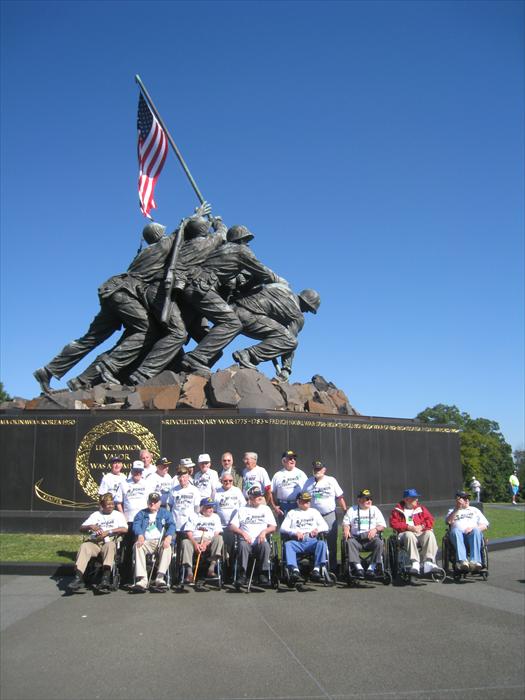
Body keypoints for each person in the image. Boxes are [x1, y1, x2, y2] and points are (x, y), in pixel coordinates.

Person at [180, 223, 286, 375]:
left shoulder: (222, 249)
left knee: (195, 335)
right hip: (201, 288)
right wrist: (279, 280)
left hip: (193, 286)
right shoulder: (241, 251)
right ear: (240, 239)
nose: (247, 244)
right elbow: (263, 272)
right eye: (246, 240)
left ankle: (190, 367)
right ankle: (196, 359)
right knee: (232, 323)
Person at [231, 283, 320, 382]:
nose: (307, 312)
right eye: (309, 309)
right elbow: (289, 341)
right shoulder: (298, 315)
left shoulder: (281, 287)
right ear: (306, 303)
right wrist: (286, 369)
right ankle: (247, 354)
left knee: (280, 334)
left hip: (231, 308)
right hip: (248, 317)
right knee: (290, 341)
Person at [68, 493, 128, 592]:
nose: (111, 506)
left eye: (112, 504)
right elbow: (81, 528)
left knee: (109, 545)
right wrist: (90, 526)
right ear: (102, 505)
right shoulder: (95, 515)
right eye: (108, 504)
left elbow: (125, 529)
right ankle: (78, 577)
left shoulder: (118, 515)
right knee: (85, 546)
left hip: (110, 541)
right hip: (95, 542)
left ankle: (105, 578)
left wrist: (109, 532)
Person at [303, 460, 347, 573]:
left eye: (319, 469)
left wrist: (345, 511)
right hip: (314, 517)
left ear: (324, 470)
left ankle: (332, 567)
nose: (317, 471)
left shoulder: (331, 480)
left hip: (329, 515)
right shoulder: (308, 483)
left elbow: (340, 497)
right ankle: (316, 567)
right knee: (314, 541)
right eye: (315, 469)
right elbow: (303, 500)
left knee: (332, 542)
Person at [115, 460, 154, 584]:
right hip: (129, 521)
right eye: (135, 471)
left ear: (142, 472)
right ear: (131, 471)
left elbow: (152, 502)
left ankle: (142, 575)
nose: (137, 473)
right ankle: (126, 576)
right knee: (127, 549)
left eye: (140, 471)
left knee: (141, 547)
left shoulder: (147, 484)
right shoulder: (124, 483)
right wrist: (122, 517)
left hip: (143, 521)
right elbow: (118, 502)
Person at [229, 486, 277, 585]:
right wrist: (243, 533)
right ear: (250, 498)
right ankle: (242, 575)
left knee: (265, 545)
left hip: (260, 541)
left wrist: (264, 532)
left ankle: (262, 574)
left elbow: (273, 527)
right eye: (256, 496)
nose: (259, 498)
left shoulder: (266, 509)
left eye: (260, 496)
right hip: (246, 541)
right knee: (242, 545)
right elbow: (232, 527)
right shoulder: (242, 510)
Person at [280, 491, 328, 583]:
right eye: (304, 501)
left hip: (311, 541)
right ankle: (295, 571)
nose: (307, 503)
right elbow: (283, 528)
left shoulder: (314, 512)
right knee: (288, 545)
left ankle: (316, 570)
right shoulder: (292, 513)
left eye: (308, 501)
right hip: (297, 541)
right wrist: (294, 532)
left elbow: (325, 526)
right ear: (298, 501)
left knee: (321, 544)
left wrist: (317, 529)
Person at [389, 488, 441, 575]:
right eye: (414, 498)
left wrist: (422, 526)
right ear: (406, 499)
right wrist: (408, 527)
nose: (416, 499)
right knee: (409, 535)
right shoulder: (397, 510)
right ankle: (415, 563)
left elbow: (430, 520)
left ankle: (428, 562)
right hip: (404, 534)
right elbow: (393, 524)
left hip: (420, 532)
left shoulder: (421, 509)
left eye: (416, 497)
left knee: (429, 533)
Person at [131, 491, 176, 590]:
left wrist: (168, 537)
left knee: (167, 547)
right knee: (137, 546)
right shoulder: (141, 513)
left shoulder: (165, 513)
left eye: (155, 502)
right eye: (151, 502)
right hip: (146, 541)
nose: (153, 504)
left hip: (160, 542)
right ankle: (142, 580)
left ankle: (160, 578)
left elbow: (172, 525)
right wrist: (140, 534)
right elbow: (136, 525)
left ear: (159, 503)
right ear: (148, 502)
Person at [342, 489, 386, 580]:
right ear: (359, 500)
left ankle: (371, 568)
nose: (369, 501)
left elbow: (382, 525)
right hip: (356, 538)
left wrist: (375, 529)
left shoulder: (375, 509)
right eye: (366, 499)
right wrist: (346, 529)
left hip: (371, 539)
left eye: (370, 498)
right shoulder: (352, 510)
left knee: (379, 543)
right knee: (350, 542)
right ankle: (359, 568)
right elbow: (346, 522)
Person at [180, 497, 224, 581]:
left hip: (209, 541)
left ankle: (211, 568)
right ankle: (189, 573)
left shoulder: (216, 517)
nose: (211, 509)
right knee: (185, 542)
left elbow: (216, 533)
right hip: (195, 540)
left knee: (219, 538)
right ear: (202, 508)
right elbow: (189, 532)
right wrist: (195, 544)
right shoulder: (193, 516)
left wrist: (205, 543)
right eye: (208, 507)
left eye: (212, 507)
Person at [445, 491, 489, 572]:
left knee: (476, 530)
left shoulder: (475, 510)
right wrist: (457, 509)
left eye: (468, 498)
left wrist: (473, 528)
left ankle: (475, 562)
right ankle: (462, 561)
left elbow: (485, 525)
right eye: (464, 498)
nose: (467, 500)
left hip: (473, 536)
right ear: (458, 500)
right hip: (457, 537)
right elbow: (448, 522)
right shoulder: (452, 511)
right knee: (455, 531)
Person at [270, 450, 308, 521]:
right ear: (283, 461)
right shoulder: (278, 475)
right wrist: (274, 507)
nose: (293, 460)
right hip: (283, 506)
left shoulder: (301, 473)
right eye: (290, 458)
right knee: (284, 529)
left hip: (298, 505)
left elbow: (307, 490)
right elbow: (270, 492)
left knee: (298, 528)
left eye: (294, 458)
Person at [168, 463, 201, 530]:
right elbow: (169, 505)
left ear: (188, 477)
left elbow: (197, 508)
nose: (182, 479)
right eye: (180, 477)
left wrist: (194, 520)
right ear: (177, 478)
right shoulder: (173, 490)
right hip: (175, 524)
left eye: (184, 477)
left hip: (189, 525)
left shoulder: (194, 490)